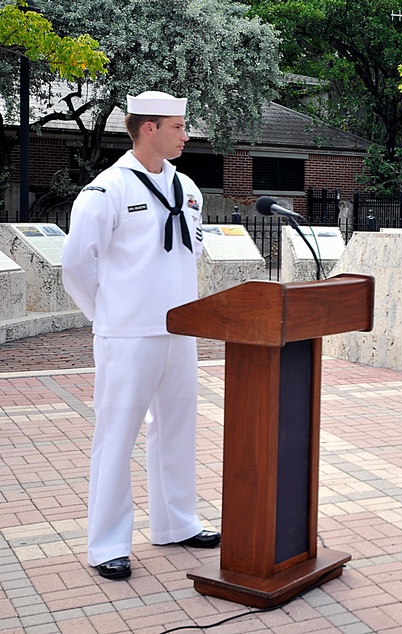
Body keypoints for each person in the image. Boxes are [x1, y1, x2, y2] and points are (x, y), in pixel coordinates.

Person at [62, 91, 219, 581]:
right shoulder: (106, 190)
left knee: (177, 429)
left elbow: (190, 253)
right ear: (148, 128)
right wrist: (108, 315)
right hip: (128, 335)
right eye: (178, 127)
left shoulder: (186, 187)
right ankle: (108, 543)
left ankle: (176, 522)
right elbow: (76, 266)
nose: (186, 135)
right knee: (116, 437)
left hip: (180, 331)